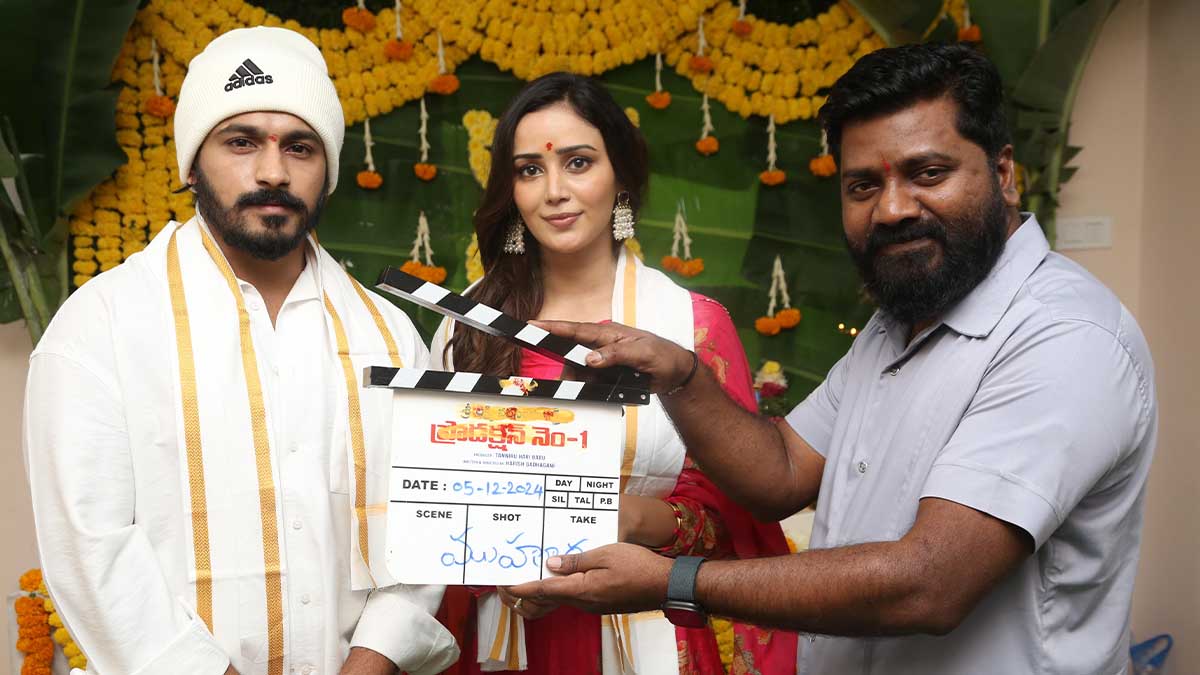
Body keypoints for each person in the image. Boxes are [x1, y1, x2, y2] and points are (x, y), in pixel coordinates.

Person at [509, 43, 1158, 675]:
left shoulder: (1064, 337)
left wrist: (673, 580)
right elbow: (782, 472)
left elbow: (929, 584)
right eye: (863, 185)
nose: (893, 208)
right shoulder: (897, 323)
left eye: (928, 173)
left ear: (1004, 173)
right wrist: (680, 374)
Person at [23, 27, 458, 675]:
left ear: (328, 172)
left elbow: (424, 523)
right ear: (191, 165)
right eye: (241, 141)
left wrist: (370, 663)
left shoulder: (390, 335)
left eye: (300, 147)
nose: (273, 171)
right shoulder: (102, 325)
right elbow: (90, 549)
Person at [428, 72, 797, 674]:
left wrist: (630, 519)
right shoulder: (465, 324)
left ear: (620, 175)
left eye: (578, 163)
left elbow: (736, 517)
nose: (555, 192)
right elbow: (430, 495)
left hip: (645, 632)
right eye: (530, 170)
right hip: (500, 635)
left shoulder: (689, 327)